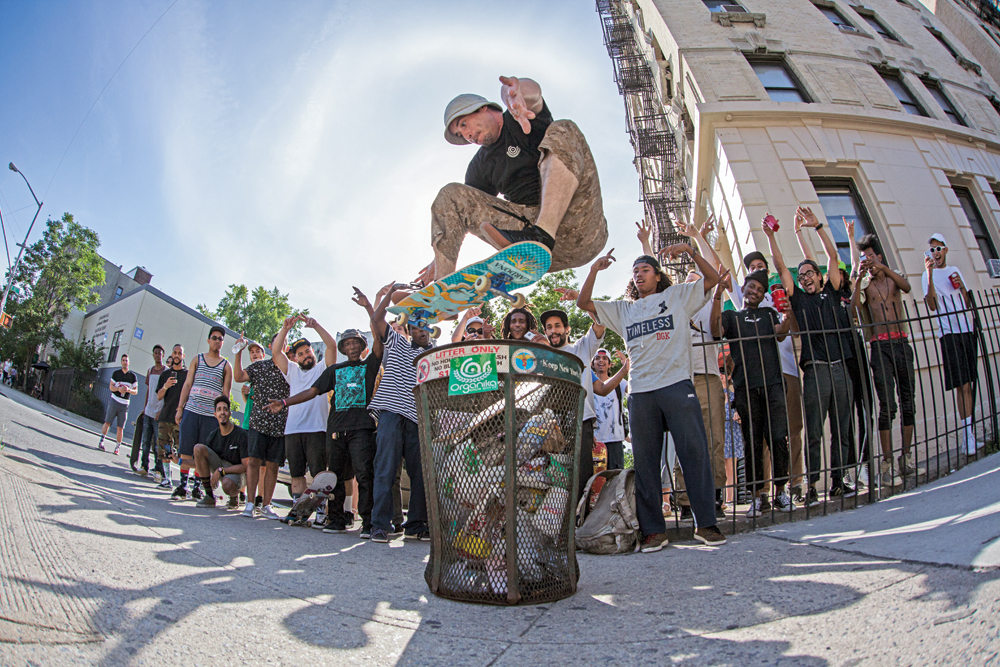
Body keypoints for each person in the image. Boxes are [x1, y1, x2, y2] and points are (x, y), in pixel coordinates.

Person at [577, 247, 727, 552]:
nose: (639, 274)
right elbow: (583, 302)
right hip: (641, 392)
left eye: (645, 269)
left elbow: (712, 279)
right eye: (635, 271)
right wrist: (594, 269)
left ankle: (706, 523)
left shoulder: (677, 297)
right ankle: (654, 531)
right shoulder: (624, 310)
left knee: (694, 454)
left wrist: (690, 251)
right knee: (646, 464)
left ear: (658, 276)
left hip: (677, 385)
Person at [420, 76, 608, 284]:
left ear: (483, 108)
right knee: (451, 195)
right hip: (532, 246)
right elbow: (456, 213)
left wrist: (515, 93)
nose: (467, 135)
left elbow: (533, 95)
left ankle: (542, 233)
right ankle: (443, 289)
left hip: (583, 224)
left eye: (464, 124)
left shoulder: (520, 116)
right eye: (461, 133)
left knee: (564, 128)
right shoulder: (480, 166)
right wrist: (438, 259)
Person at [639, 218, 730, 520]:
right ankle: (684, 500)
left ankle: (714, 495)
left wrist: (694, 242)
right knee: (683, 442)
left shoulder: (706, 305)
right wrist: (646, 245)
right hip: (677, 378)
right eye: (687, 282)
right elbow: (655, 279)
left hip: (706, 378)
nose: (692, 284)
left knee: (713, 438)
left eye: (695, 280)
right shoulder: (674, 304)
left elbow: (715, 274)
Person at [766, 208, 853, 504]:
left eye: (809, 274)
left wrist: (817, 228)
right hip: (814, 369)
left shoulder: (833, 289)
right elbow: (779, 267)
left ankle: (839, 480)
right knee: (814, 430)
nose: (805, 279)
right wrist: (771, 237)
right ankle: (813, 485)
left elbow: (831, 256)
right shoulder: (799, 299)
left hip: (840, 366)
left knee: (842, 427)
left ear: (819, 275)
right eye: (801, 276)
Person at [272, 322, 381, 537]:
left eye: (355, 343)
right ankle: (336, 519)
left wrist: (371, 307)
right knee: (335, 477)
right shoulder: (334, 370)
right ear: (343, 349)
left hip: (362, 430)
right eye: (347, 343)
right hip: (336, 431)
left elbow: (380, 340)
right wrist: (285, 403)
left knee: (364, 475)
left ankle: (368, 523)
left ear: (362, 346)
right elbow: (312, 391)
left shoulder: (369, 366)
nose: (351, 346)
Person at [712, 270, 795, 515]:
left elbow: (781, 334)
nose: (755, 291)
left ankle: (781, 492)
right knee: (752, 442)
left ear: (764, 295)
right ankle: (758, 497)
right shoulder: (731, 317)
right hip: (746, 387)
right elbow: (716, 331)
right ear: (744, 287)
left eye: (760, 289)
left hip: (774, 385)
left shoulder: (770, 314)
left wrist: (788, 315)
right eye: (751, 286)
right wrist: (717, 294)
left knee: (779, 438)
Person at [360, 282, 435, 544]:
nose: (420, 331)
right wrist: (390, 295)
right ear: (410, 330)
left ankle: (416, 523)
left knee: (420, 471)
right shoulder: (397, 343)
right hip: (391, 412)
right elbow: (377, 319)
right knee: (386, 468)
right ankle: (380, 525)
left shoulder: (436, 356)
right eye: (415, 327)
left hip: (417, 418)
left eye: (425, 327)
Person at [848, 226, 916, 485]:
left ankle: (906, 458)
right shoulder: (865, 287)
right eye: (866, 259)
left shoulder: (891, 280)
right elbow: (854, 310)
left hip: (901, 343)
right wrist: (858, 280)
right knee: (888, 405)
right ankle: (886, 464)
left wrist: (883, 268)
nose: (870, 262)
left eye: (873, 257)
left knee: (908, 400)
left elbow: (907, 287)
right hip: (880, 347)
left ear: (879, 257)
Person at [922, 233, 983, 455]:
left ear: (945, 250)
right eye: (932, 250)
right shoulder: (926, 275)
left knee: (969, 382)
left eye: (939, 248)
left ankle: (970, 434)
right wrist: (929, 274)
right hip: (949, 333)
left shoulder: (954, 271)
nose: (936, 253)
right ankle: (967, 436)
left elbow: (967, 302)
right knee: (962, 385)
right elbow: (931, 305)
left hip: (966, 330)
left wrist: (961, 287)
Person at [271, 315, 338, 515]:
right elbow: (275, 352)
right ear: (296, 357)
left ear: (313, 352)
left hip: (317, 428)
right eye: (300, 354)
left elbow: (332, 346)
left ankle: (320, 511)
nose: (305, 355)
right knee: (296, 474)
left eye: (307, 351)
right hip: (293, 429)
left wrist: (315, 325)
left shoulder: (322, 369)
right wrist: (284, 329)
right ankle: (298, 508)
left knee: (319, 474)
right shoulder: (291, 370)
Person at [539, 305, 605, 499]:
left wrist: (581, 300)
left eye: (557, 326)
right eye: (549, 327)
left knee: (581, 475)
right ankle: (558, 523)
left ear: (567, 329)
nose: (553, 330)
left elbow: (600, 323)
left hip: (580, 420)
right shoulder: (540, 356)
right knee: (553, 475)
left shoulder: (580, 349)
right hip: (550, 425)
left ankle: (579, 521)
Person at [173, 326, 233, 500]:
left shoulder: (226, 365)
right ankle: (182, 486)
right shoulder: (197, 359)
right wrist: (180, 408)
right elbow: (187, 384)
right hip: (191, 411)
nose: (217, 341)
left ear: (222, 342)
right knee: (185, 450)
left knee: (203, 454)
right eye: (214, 338)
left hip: (210, 417)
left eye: (220, 339)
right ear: (208, 340)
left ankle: (197, 487)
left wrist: (222, 419)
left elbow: (226, 394)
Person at [233, 336, 289, 519]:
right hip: (258, 423)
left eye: (285, 343)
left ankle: (266, 505)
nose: (281, 345)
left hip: (280, 425)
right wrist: (239, 352)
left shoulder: (291, 370)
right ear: (272, 346)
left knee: (273, 466)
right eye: (278, 342)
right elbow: (239, 376)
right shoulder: (260, 366)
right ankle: (250, 503)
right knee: (254, 463)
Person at [192, 396, 250, 509]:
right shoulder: (213, 435)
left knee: (227, 485)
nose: (222, 412)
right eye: (219, 409)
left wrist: (222, 471)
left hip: (238, 473)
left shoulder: (241, 434)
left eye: (225, 409)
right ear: (215, 414)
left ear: (230, 413)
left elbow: (245, 466)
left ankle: (235, 496)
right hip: (220, 468)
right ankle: (209, 496)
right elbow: (200, 461)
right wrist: (178, 460)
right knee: (198, 448)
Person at [154, 345, 187, 490]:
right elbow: (159, 396)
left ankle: (182, 483)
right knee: (165, 448)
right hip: (166, 417)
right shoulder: (165, 374)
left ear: (183, 356)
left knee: (181, 450)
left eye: (180, 353)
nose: (177, 355)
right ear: (171, 354)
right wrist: (166, 386)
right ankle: (167, 479)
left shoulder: (187, 375)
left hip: (180, 420)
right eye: (175, 352)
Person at [591, 349, 630, 471]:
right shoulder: (588, 383)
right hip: (594, 441)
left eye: (604, 358)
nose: (601, 360)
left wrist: (629, 369)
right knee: (596, 482)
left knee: (615, 481)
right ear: (592, 364)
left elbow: (635, 389)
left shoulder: (620, 382)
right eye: (597, 358)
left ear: (610, 364)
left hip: (615, 441)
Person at [135, 345, 167, 477]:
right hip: (148, 411)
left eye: (160, 353)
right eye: (155, 353)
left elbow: (167, 394)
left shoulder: (166, 372)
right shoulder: (150, 370)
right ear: (153, 355)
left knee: (157, 444)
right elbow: (149, 390)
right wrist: (144, 408)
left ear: (163, 355)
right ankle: (144, 466)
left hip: (158, 413)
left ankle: (158, 469)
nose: (157, 355)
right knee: (145, 440)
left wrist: (162, 411)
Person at [98, 354, 138, 454]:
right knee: (107, 422)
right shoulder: (116, 374)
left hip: (124, 404)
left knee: (120, 427)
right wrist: (118, 389)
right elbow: (111, 387)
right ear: (121, 362)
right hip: (114, 400)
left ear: (129, 362)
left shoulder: (132, 376)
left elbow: (136, 391)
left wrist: (128, 390)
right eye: (123, 360)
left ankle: (117, 447)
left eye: (126, 360)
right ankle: (101, 441)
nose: (125, 362)